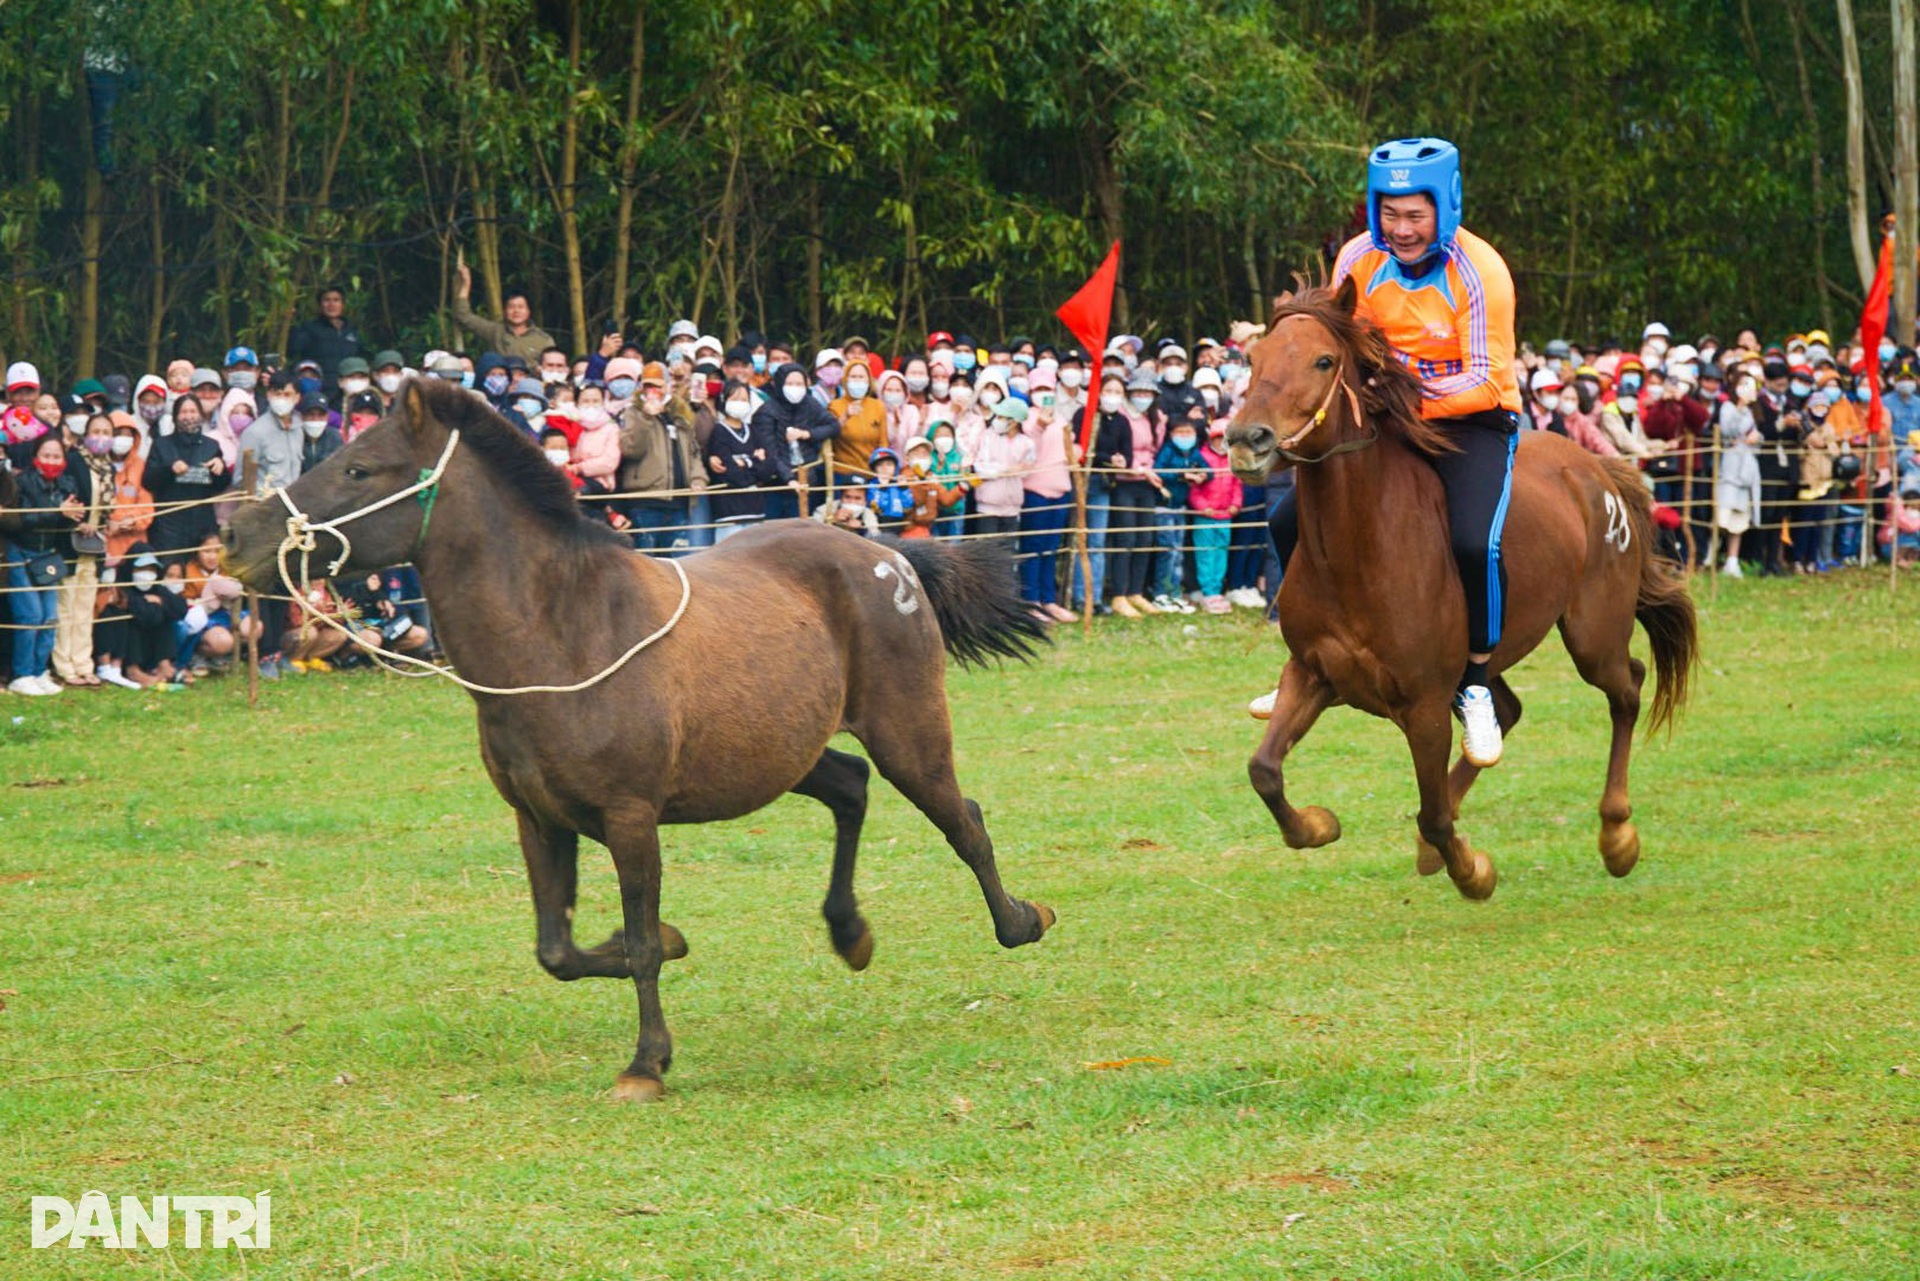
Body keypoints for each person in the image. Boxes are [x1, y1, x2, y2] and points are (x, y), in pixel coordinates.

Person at [1260, 138, 1524, 769]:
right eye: (1390, 213)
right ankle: (1308, 660)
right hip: (1386, 414)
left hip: (1474, 423)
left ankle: (1478, 683)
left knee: (1472, 542)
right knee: (1283, 519)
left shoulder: (1481, 271)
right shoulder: (1356, 258)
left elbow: (1487, 378)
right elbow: (1336, 335)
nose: (1401, 229)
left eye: (1416, 214)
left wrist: (1401, 398)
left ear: (1445, 206)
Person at [8, 433, 84, 693]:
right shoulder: (21, 482)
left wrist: (77, 519)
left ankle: (41, 671)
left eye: (56, 456)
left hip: (48, 554)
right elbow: (21, 520)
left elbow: (66, 516)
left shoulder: (67, 483)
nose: (51, 460)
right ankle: (21, 673)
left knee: (50, 616)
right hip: (20, 551)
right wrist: (57, 512)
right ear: (35, 457)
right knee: (29, 615)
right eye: (46, 455)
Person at [50, 415, 117, 687]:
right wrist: (81, 518)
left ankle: (83, 663)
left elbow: (107, 503)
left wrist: (104, 521)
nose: (101, 436)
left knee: (85, 605)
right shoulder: (75, 460)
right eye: (95, 431)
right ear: (85, 434)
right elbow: (68, 493)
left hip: (95, 544)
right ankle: (64, 665)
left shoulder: (107, 466)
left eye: (106, 431)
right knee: (66, 605)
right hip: (71, 542)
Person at [617, 365, 702, 550]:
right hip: (646, 500)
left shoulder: (680, 414)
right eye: (647, 386)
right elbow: (631, 450)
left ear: (668, 386)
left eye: (658, 386)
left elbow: (693, 453)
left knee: (677, 561)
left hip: (680, 502)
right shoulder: (632, 412)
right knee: (647, 562)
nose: (652, 391)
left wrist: (698, 479)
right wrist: (646, 417)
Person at [1017, 369, 1077, 621]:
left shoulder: (1062, 420)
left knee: (1051, 549)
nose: (1043, 395)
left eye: (1047, 390)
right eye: (1038, 390)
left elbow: (1070, 450)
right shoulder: (1027, 420)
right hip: (1036, 491)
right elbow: (1028, 450)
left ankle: (1049, 600)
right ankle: (1031, 601)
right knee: (1033, 547)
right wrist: (1040, 425)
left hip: (1060, 490)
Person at [145, 393, 231, 560]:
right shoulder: (161, 445)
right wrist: (169, 469)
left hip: (202, 525)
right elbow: (148, 481)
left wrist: (220, 468)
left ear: (200, 414)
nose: (189, 416)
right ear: (175, 416)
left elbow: (221, 485)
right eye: (183, 412)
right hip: (168, 525)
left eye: (193, 411)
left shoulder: (211, 446)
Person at [704, 379, 792, 539]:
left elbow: (768, 468)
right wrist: (754, 461)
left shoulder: (753, 431)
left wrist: (744, 462)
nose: (740, 403)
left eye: (744, 400)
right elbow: (731, 474)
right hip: (729, 513)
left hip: (755, 510)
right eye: (734, 399)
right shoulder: (719, 432)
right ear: (724, 401)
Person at [755, 361, 840, 518]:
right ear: (780, 384)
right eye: (790, 383)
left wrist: (807, 434)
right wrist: (788, 478)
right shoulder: (766, 411)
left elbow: (833, 426)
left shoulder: (809, 403)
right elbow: (770, 450)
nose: (795, 387)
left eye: (799, 383)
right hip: (776, 484)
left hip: (806, 479)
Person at [1152, 403, 1212, 615]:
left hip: (1180, 506)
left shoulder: (1193, 452)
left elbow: (1209, 470)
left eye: (1189, 432)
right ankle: (1160, 591)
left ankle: (1175, 591)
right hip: (1164, 506)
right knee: (1167, 550)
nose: (1186, 436)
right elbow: (1158, 471)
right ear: (1172, 434)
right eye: (1181, 432)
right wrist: (1181, 475)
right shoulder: (1168, 450)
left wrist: (1203, 474)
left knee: (1177, 552)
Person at [450, 260, 556, 366]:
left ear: (528, 311)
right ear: (505, 312)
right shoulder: (495, 331)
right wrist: (466, 285)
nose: (516, 311)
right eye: (511, 307)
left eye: (521, 307)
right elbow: (463, 316)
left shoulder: (543, 340)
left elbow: (552, 366)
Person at [1188, 419, 1245, 612]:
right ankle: (1207, 590)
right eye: (1218, 438)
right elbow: (1194, 489)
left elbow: (1237, 485)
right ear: (1211, 439)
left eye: (1226, 439)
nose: (1222, 443)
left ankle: (1217, 590)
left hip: (1225, 516)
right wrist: (1202, 507)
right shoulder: (1201, 457)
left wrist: (1236, 504)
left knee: (1221, 551)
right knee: (1205, 552)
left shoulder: (1233, 460)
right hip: (1205, 516)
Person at [1715, 373, 1764, 576]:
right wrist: (1741, 406)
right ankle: (1712, 553)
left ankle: (1732, 561)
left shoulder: (1752, 412)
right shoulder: (1728, 407)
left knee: (1739, 518)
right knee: (1722, 514)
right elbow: (1727, 430)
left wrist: (1756, 437)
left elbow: (1758, 437)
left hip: (1747, 470)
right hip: (1729, 469)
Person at [286, 284, 369, 386]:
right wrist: (290, 321)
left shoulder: (352, 331)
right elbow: (292, 351)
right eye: (327, 300)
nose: (331, 304)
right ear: (320, 305)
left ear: (343, 304)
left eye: (336, 300)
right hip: (321, 389)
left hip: (349, 388)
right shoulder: (309, 328)